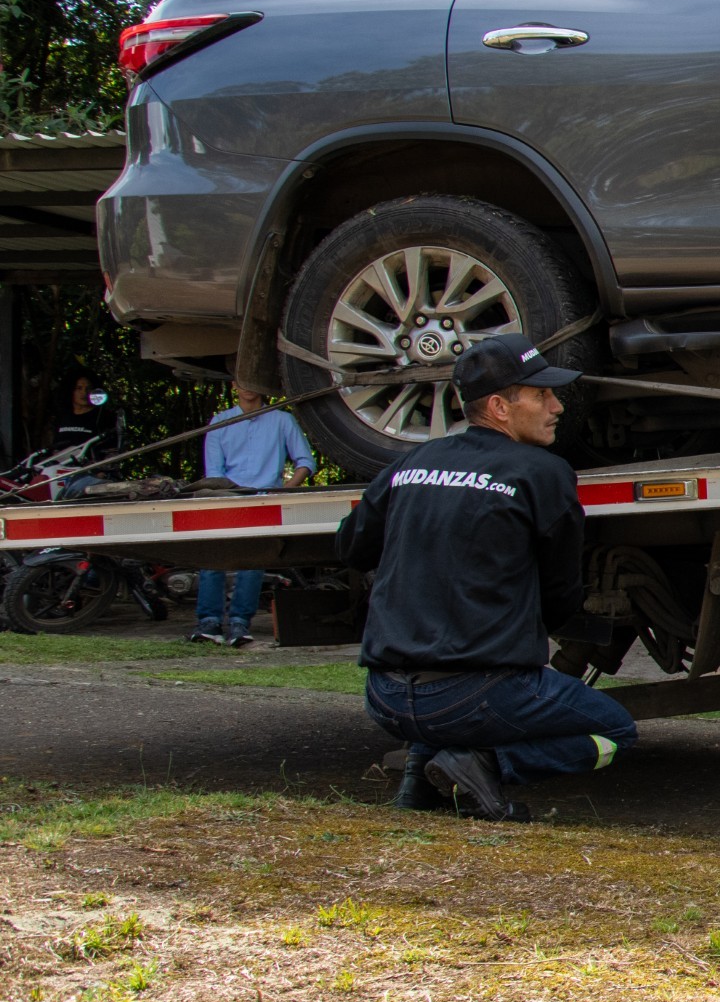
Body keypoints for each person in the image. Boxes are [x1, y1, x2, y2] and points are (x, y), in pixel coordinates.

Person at [333, 334, 634, 822]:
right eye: (541, 395)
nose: (556, 406)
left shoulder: (412, 464)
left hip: (385, 696)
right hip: (473, 698)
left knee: (456, 687)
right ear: (499, 406)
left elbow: (350, 548)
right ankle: (481, 763)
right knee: (615, 734)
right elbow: (559, 597)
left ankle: (419, 781)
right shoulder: (543, 472)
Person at [190, 383, 316, 646]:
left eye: (252, 381)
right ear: (233, 385)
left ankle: (239, 623)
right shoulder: (220, 421)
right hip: (226, 497)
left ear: (261, 384)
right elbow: (214, 471)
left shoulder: (282, 419)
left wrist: (285, 489)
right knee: (213, 559)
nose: (247, 388)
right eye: (241, 381)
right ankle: (209, 623)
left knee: (252, 563)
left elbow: (305, 461)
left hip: (263, 499)